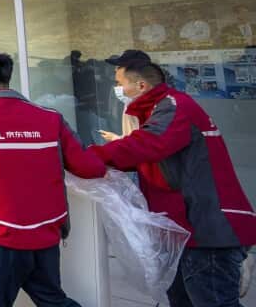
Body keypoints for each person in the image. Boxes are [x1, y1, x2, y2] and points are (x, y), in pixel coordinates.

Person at [0, 49, 106, 307]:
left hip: (1, 238)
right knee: (53, 301)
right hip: (45, 236)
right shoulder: (50, 118)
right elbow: (88, 167)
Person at [90, 50, 256, 307]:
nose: (117, 89)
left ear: (141, 85)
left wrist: (88, 157)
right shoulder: (156, 109)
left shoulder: (173, 106)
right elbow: (150, 157)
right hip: (185, 231)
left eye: (120, 84)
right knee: (182, 299)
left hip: (207, 231)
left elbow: (147, 145)